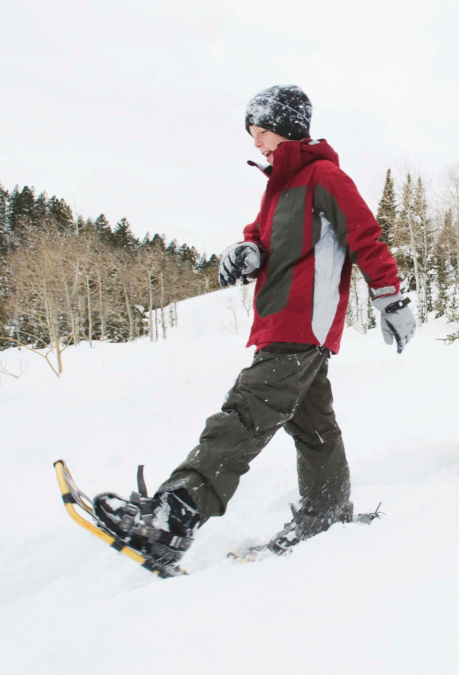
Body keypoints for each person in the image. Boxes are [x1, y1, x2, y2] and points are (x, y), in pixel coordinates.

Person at [92, 85, 415, 567]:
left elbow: (364, 235)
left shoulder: (325, 177)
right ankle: (326, 513)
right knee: (314, 427)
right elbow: (260, 236)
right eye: (253, 136)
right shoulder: (278, 188)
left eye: (262, 133)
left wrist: (391, 297)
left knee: (245, 414)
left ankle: (174, 517)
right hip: (280, 318)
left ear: (286, 129)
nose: (257, 144)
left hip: (302, 321)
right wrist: (247, 251)